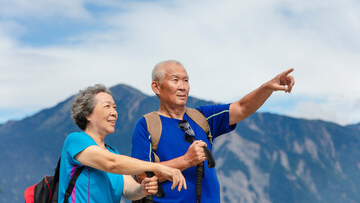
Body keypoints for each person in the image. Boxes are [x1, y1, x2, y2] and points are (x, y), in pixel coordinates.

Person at [131, 60, 295, 203]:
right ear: (156, 87)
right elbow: (142, 177)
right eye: (175, 80)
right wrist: (185, 161)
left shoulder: (202, 117)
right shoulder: (147, 125)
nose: (182, 87)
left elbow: (241, 107)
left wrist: (268, 88)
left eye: (186, 80)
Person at [58, 84, 186, 203]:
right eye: (107, 106)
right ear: (87, 114)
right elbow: (111, 163)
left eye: (115, 107)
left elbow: (128, 190)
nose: (114, 113)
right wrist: (159, 167)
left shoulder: (113, 153)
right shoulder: (75, 140)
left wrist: (142, 189)